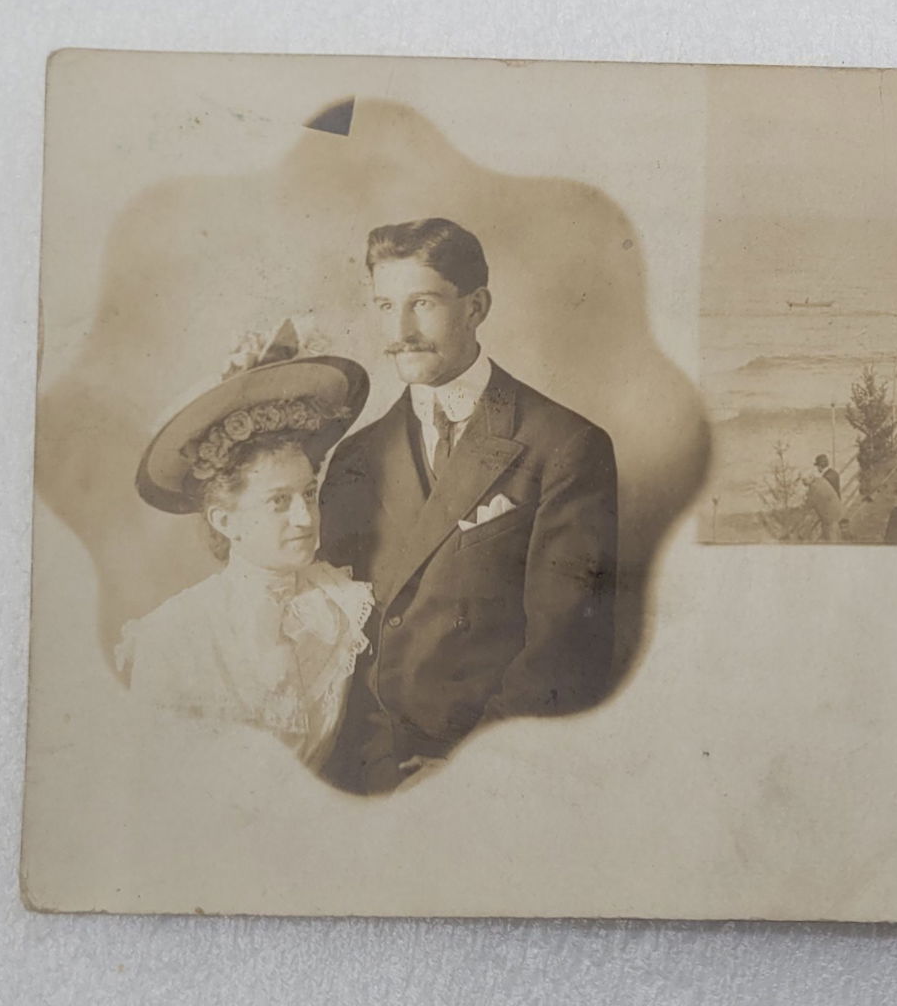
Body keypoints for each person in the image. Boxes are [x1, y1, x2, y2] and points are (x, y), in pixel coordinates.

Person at [319, 218, 618, 793]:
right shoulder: (356, 456)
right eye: (385, 306)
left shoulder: (566, 446)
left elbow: (567, 649)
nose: (399, 330)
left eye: (422, 304)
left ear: (476, 307)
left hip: (486, 769)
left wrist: (471, 771)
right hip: (362, 764)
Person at [121, 321, 374, 770]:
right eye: (279, 501)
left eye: (309, 494)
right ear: (225, 520)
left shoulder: (340, 606)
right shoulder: (174, 636)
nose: (305, 518)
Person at [803, 467, 842, 543]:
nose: (803, 483)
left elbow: (809, 504)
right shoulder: (821, 481)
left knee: (831, 540)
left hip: (829, 518)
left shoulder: (814, 487)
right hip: (835, 515)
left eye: (804, 480)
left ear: (811, 477)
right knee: (836, 537)